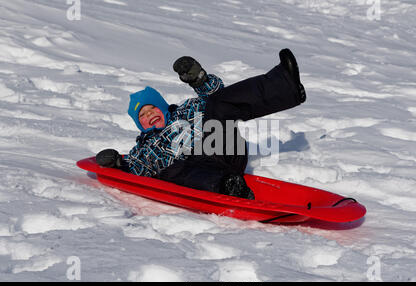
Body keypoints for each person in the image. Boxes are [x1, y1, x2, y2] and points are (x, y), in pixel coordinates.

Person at [95, 48, 306, 199]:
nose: (150, 115)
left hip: (222, 150)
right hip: (196, 173)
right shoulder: (145, 148)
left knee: (218, 103)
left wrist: (200, 80)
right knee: (169, 172)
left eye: (153, 108)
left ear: (163, 106)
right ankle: (228, 187)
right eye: (143, 115)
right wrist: (117, 164)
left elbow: (217, 93)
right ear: (139, 124)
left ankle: (285, 85)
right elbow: (136, 171)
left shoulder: (185, 110)